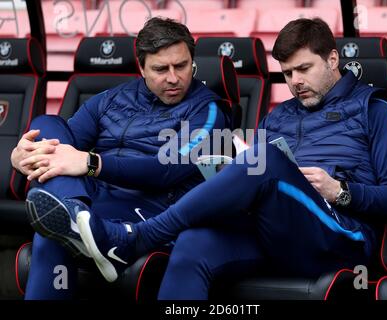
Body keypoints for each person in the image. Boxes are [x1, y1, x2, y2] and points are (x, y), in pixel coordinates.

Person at [25, 17, 387, 300]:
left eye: (304, 69)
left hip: (337, 231)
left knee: (261, 160)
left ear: (333, 60)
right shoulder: (279, 115)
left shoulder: (377, 108)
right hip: (270, 227)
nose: (295, 81)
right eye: (287, 73)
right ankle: (85, 217)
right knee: (194, 244)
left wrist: (340, 191)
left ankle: (137, 238)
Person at [10, 17, 231, 300]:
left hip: (150, 213)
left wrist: (92, 163)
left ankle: (76, 219)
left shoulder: (209, 111)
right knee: (46, 124)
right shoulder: (111, 99)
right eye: (161, 69)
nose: (174, 78)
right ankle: (76, 214)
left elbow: (167, 168)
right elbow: (59, 144)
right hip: (94, 202)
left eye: (182, 65)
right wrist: (20, 156)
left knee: (53, 233)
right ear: (141, 67)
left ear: (192, 61)